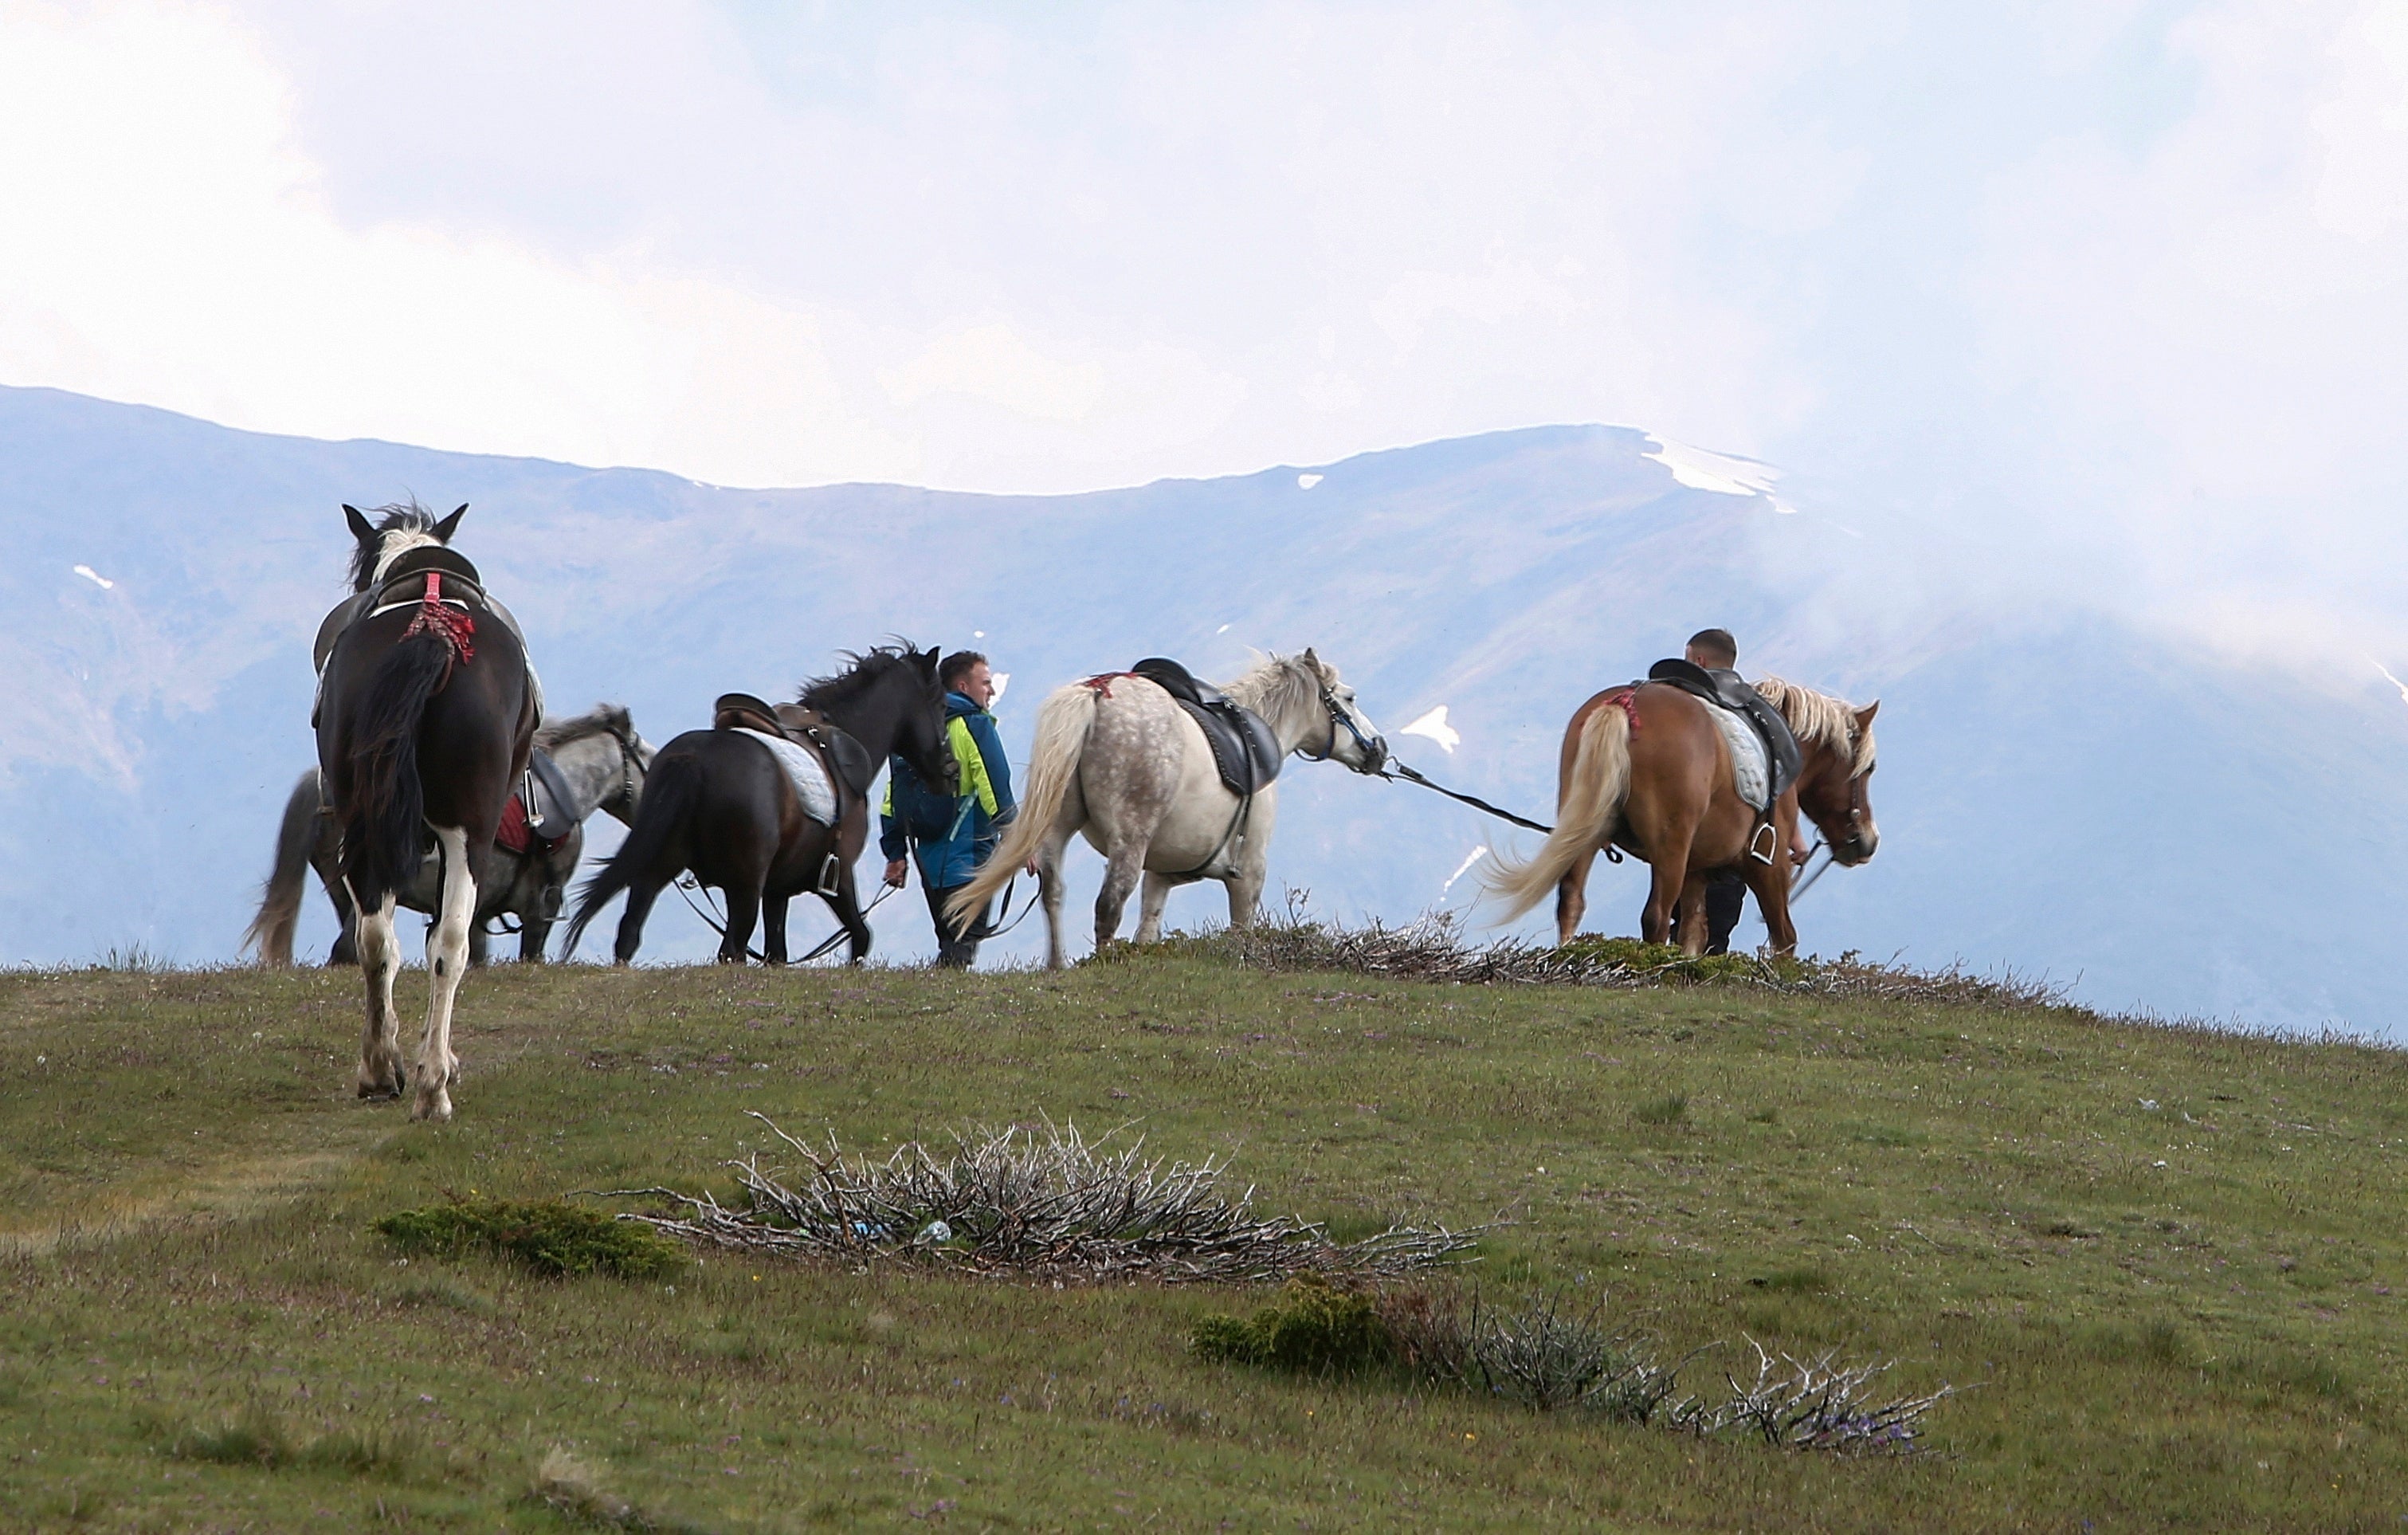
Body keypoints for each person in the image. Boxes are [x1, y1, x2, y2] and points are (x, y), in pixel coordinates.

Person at [880, 650, 1021, 968]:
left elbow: (892, 796)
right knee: (964, 944)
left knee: (949, 941)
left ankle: (938, 1003)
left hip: (927, 864)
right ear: (962, 686)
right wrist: (1018, 839)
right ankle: (942, 1008)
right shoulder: (973, 725)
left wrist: (895, 853)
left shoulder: (914, 731)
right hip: (970, 856)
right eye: (985, 683)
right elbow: (994, 784)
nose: (991, 690)